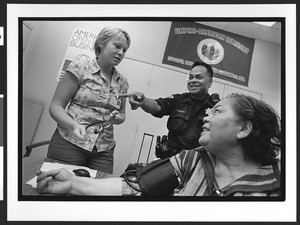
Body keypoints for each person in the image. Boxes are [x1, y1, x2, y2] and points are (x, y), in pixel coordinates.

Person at [36, 93, 281, 197]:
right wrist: (74, 183)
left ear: (244, 128)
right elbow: (132, 186)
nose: (206, 117)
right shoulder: (192, 159)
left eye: (216, 111)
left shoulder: (277, 188)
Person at [46, 26, 131, 174]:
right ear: (101, 45)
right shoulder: (79, 68)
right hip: (70, 142)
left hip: (104, 150)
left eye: (124, 50)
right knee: (59, 189)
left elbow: (122, 115)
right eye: (117, 46)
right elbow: (55, 106)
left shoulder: (123, 82)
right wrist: (73, 126)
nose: (121, 53)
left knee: (98, 192)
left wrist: (118, 118)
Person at [128, 61, 217, 159]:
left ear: (210, 82)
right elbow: (157, 106)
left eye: (199, 77)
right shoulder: (178, 100)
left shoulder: (216, 108)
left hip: (197, 162)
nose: (193, 80)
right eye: (191, 77)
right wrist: (143, 101)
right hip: (170, 160)